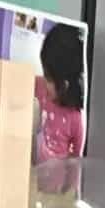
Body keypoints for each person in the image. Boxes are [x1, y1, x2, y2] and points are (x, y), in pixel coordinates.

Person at [34, 23, 85, 165]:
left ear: (65, 85)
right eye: (44, 73)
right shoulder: (36, 86)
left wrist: (68, 186)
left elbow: (75, 168)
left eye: (49, 77)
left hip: (55, 186)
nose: (44, 81)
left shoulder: (75, 119)